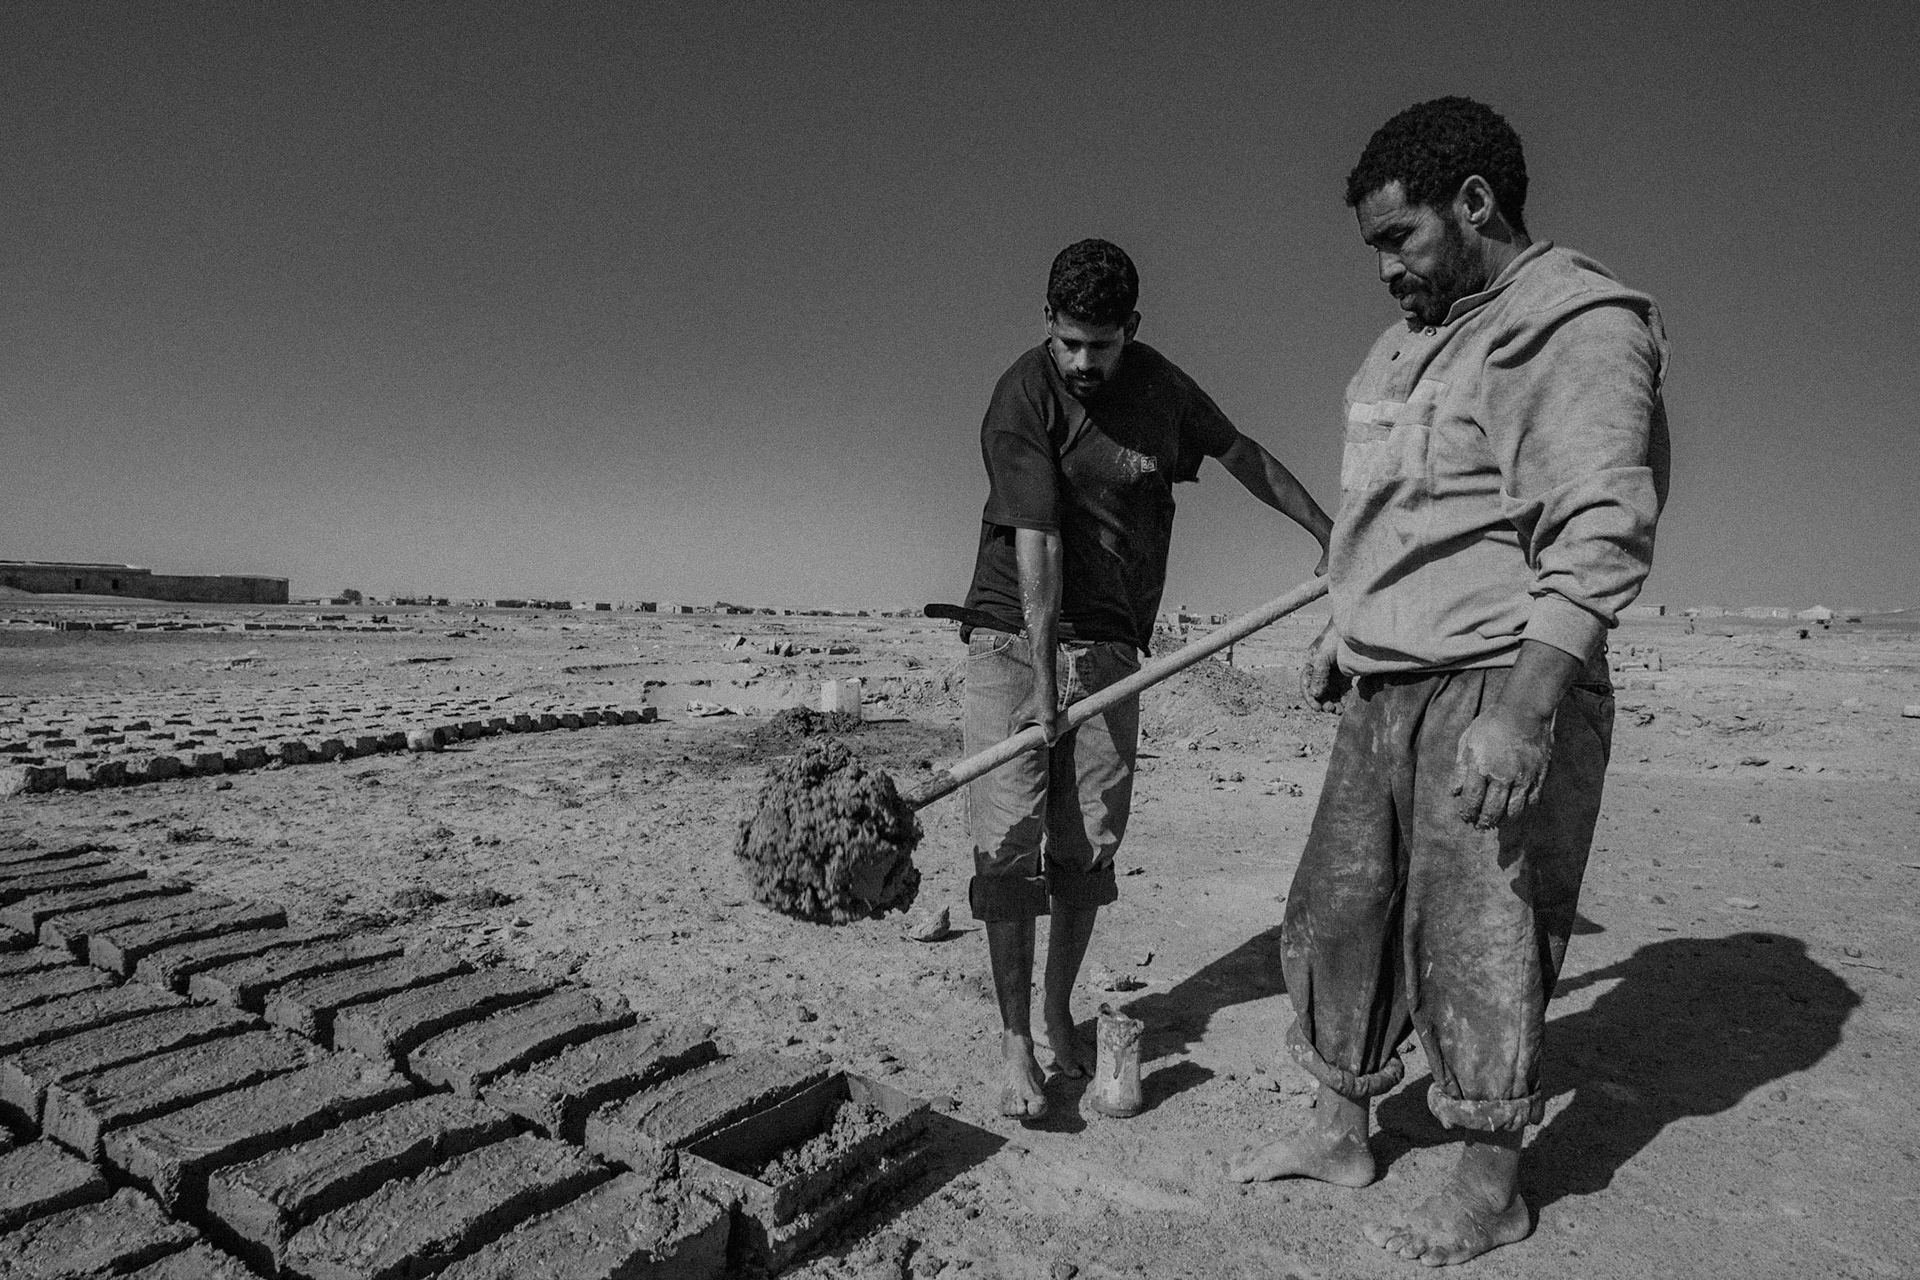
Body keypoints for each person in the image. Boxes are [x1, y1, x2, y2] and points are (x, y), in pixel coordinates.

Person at [1229, 96, 1671, 1267]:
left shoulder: (1575, 324)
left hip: (1494, 679)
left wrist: (1524, 713)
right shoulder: (1401, 345)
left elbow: (1601, 529)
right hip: (1384, 684)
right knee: (1339, 912)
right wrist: (1348, 619)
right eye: (1373, 246)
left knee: (1483, 935)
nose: (1385, 267)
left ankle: (1489, 1179)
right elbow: (1392, 513)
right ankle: (1342, 1127)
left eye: (1400, 236)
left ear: (1476, 203)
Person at [959, 238, 1333, 1120]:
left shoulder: (1162, 387)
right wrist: (1046, 693)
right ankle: (1014, 1040)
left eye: (1102, 344)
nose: (1084, 363)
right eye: (1069, 343)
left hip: (1113, 646)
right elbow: (1039, 547)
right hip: (1014, 639)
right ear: (1047, 324)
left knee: (1087, 842)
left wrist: (1329, 532)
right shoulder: (1021, 397)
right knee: (1007, 842)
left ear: (1132, 327)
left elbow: (1242, 453)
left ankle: (1058, 1011)